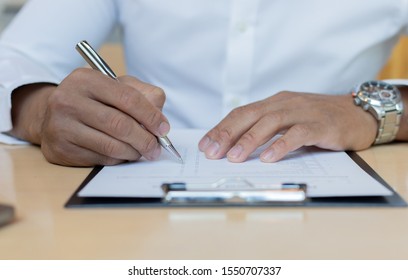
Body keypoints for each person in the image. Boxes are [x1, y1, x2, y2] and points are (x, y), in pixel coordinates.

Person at [0, 0, 407, 167]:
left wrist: (373, 110)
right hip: (136, 200)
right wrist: (40, 112)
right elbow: (14, 58)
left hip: (340, 216)